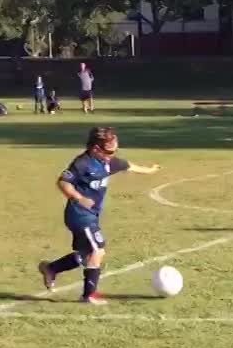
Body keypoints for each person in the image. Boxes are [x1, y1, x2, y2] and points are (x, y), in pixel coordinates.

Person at [37, 127, 160, 305]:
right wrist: (79, 198)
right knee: (98, 251)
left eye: (115, 150)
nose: (113, 154)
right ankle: (88, 296)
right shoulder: (82, 163)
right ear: (95, 148)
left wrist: (150, 170)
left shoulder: (108, 162)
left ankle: (51, 268)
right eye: (109, 151)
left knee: (85, 255)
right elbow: (63, 182)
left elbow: (130, 166)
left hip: (91, 215)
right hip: (79, 214)